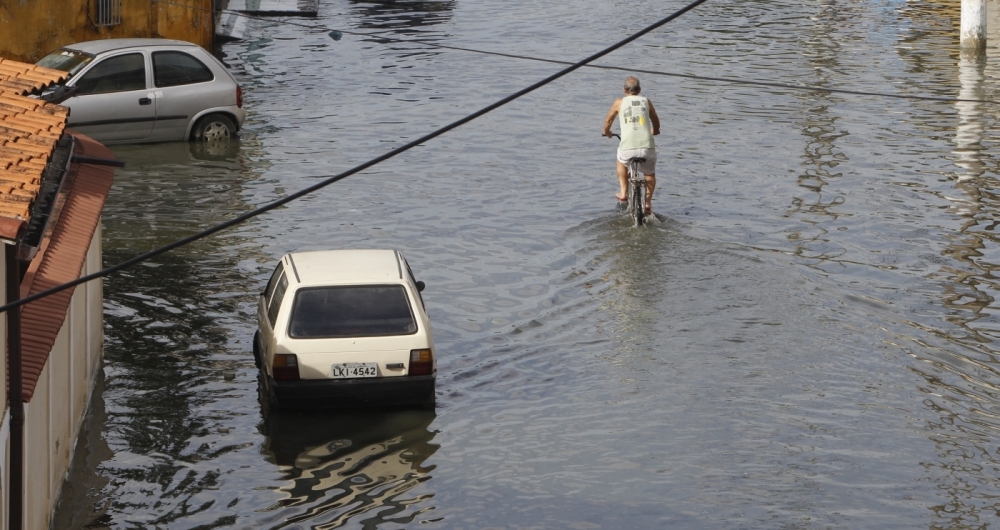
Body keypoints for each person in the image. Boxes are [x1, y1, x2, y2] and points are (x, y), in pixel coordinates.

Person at [602, 76, 660, 214]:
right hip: (647, 147)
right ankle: (647, 203)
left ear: (624, 90)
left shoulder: (618, 103)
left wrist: (607, 132)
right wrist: (656, 131)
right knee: (649, 173)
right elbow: (655, 119)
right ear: (639, 90)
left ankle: (623, 192)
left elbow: (608, 121)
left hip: (628, 147)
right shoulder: (646, 101)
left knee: (621, 162)